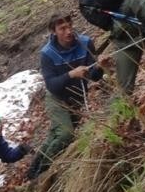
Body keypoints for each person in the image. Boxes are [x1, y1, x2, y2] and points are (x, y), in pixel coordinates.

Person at [28, 14, 104, 179]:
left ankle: (33, 169)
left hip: (77, 97)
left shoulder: (85, 43)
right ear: (53, 31)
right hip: (57, 99)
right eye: (62, 29)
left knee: (55, 135)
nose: (68, 31)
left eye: (70, 26)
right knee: (65, 134)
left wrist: (101, 67)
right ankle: (42, 171)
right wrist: (71, 74)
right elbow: (51, 85)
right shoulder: (48, 53)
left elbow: (94, 76)